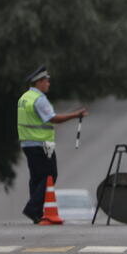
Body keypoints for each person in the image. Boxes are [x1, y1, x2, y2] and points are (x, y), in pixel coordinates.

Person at [17, 66, 88, 223]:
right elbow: (53, 118)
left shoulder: (24, 97)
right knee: (50, 175)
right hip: (41, 144)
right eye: (47, 81)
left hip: (27, 144)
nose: (49, 84)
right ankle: (32, 209)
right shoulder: (39, 99)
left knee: (36, 178)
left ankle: (36, 214)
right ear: (39, 82)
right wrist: (75, 115)